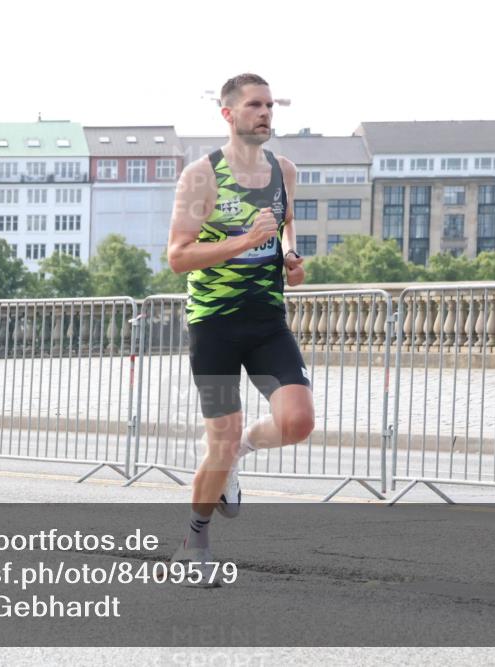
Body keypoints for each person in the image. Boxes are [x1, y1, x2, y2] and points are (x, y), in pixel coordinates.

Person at [166, 73, 315, 585]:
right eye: (254, 105)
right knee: (218, 441)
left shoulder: (284, 170)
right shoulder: (200, 178)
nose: (266, 113)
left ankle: (240, 455)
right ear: (228, 114)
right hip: (214, 326)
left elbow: (284, 222)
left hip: (267, 321)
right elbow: (178, 257)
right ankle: (196, 539)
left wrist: (290, 257)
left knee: (298, 423)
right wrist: (242, 241)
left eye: (270, 105)